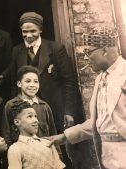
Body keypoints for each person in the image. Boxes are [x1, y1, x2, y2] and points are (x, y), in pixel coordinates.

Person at [10, 12, 88, 168]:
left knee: (61, 150)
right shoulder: (17, 51)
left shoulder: (55, 48)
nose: (29, 35)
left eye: (33, 31)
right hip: (28, 112)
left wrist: (69, 111)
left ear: (40, 30)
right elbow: (14, 83)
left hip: (55, 109)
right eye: (25, 32)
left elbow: (69, 82)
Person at [48, 27, 126, 169]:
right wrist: (64, 137)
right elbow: (99, 123)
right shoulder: (100, 79)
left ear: (104, 50)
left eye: (88, 52)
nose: (85, 58)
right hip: (107, 158)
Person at [2, 65, 57, 145]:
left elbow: (53, 134)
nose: (32, 85)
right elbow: (6, 135)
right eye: (28, 81)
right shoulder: (10, 105)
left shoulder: (44, 106)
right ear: (19, 84)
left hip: (43, 152)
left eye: (35, 81)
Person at [7, 100, 65, 169]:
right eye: (29, 116)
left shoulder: (48, 142)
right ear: (17, 122)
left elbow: (59, 167)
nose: (36, 120)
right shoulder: (15, 149)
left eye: (35, 116)